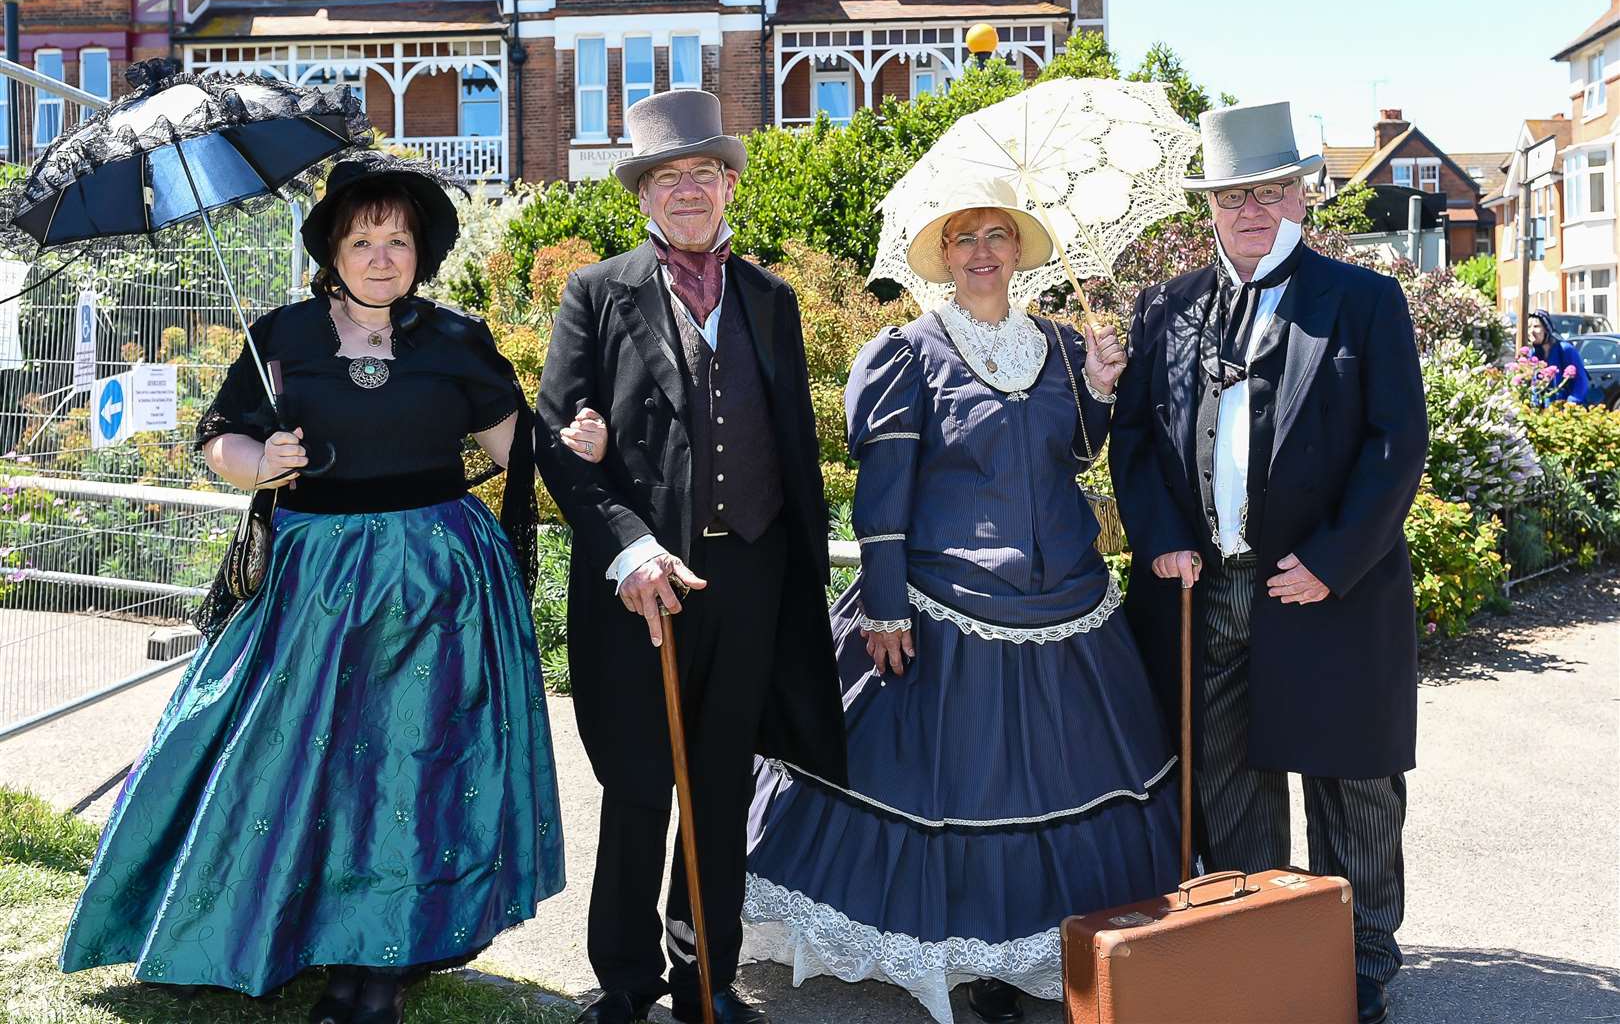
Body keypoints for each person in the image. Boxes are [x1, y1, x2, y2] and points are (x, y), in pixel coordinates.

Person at [58, 151, 566, 1024]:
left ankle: (392, 953)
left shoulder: (456, 340)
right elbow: (220, 440)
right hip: (316, 586)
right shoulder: (283, 338)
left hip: (439, 587)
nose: (380, 256)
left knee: (417, 764)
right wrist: (263, 459)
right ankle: (325, 947)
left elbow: (509, 447)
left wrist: (575, 443)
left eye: (397, 241)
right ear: (331, 249)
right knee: (316, 765)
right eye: (363, 239)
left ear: (422, 252)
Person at [733, 180, 1180, 1024]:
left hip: (1068, 603)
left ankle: (1055, 946)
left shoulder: (1056, 340)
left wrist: (1098, 386)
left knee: (1056, 781)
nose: (982, 252)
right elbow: (884, 492)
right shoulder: (910, 351)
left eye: (997, 236)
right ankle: (970, 956)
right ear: (943, 257)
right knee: (962, 786)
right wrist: (886, 605)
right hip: (947, 604)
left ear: (1019, 251)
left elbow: (1074, 456)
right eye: (965, 238)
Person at [1110, 102, 1429, 1024]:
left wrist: (1333, 561)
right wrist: (1162, 534)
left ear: (1304, 198)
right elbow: (1133, 441)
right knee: (1228, 779)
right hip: (1207, 588)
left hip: (1333, 589)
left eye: (1273, 191)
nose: (1254, 210)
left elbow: (1393, 445)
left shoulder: (1364, 303)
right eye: (1234, 195)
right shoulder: (1166, 307)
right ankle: (1262, 942)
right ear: (1209, 206)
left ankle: (1362, 955)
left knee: (1353, 785)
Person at [533, 89, 846, 1024]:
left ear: (729, 185)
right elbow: (557, 440)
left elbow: (792, 444)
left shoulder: (771, 300)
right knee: (638, 784)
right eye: (666, 178)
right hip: (643, 585)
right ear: (642, 196)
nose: (686, 192)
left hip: (748, 581)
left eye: (701, 174)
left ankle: (704, 979)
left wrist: (802, 575)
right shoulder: (596, 293)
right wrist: (628, 548)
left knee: (719, 789)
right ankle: (624, 983)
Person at [1527, 309, 1596, 405]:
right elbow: (1534, 385)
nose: (1531, 331)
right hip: (1544, 414)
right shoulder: (1534, 354)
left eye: (1536, 326)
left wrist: (1572, 402)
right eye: (1529, 327)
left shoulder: (1565, 349)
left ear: (1547, 329)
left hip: (1566, 410)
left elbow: (1581, 380)